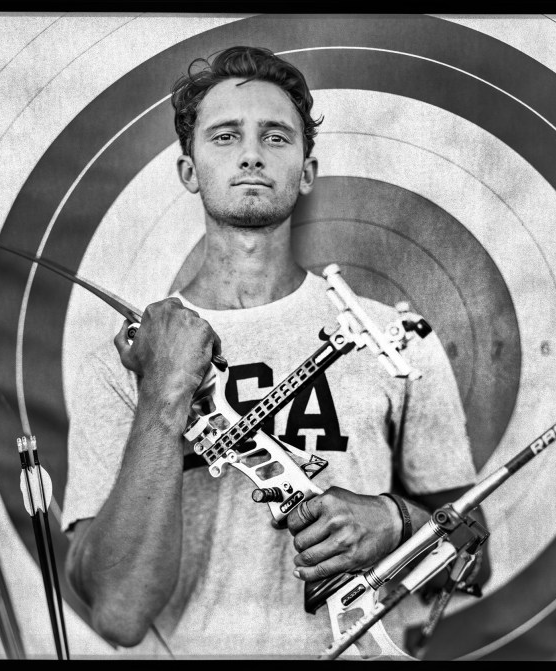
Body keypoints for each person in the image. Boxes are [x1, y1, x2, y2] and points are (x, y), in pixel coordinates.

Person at [61, 46, 486, 657]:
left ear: (306, 171)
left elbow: (474, 560)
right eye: (226, 135)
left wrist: (399, 522)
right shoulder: (129, 357)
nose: (252, 154)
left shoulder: (390, 335)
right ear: (189, 171)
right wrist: (163, 391)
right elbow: (120, 613)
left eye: (277, 137)